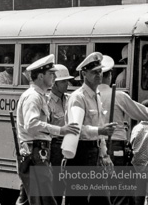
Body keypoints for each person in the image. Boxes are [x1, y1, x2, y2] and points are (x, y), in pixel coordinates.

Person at [98, 55, 148, 205]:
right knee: (119, 190)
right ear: (109, 75)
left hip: (93, 147)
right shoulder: (118, 96)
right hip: (115, 146)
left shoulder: (83, 96)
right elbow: (145, 113)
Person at [16, 54, 80, 205]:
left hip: (38, 152)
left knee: (36, 199)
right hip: (35, 152)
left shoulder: (40, 96)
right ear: (40, 76)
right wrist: (60, 130)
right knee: (45, 199)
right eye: (51, 74)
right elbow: (31, 125)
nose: (54, 77)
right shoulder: (33, 97)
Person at [64, 52, 118, 205]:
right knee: (78, 200)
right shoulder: (78, 97)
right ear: (84, 74)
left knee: (101, 200)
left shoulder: (97, 96)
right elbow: (75, 128)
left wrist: (104, 154)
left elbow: (100, 126)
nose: (98, 75)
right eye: (94, 72)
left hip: (94, 153)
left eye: (100, 71)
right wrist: (100, 131)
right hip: (80, 153)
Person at [48, 64, 74, 205]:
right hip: (55, 147)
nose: (67, 84)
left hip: (70, 145)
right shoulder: (47, 102)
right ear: (54, 83)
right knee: (56, 185)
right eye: (63, 81)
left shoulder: (70, 99)